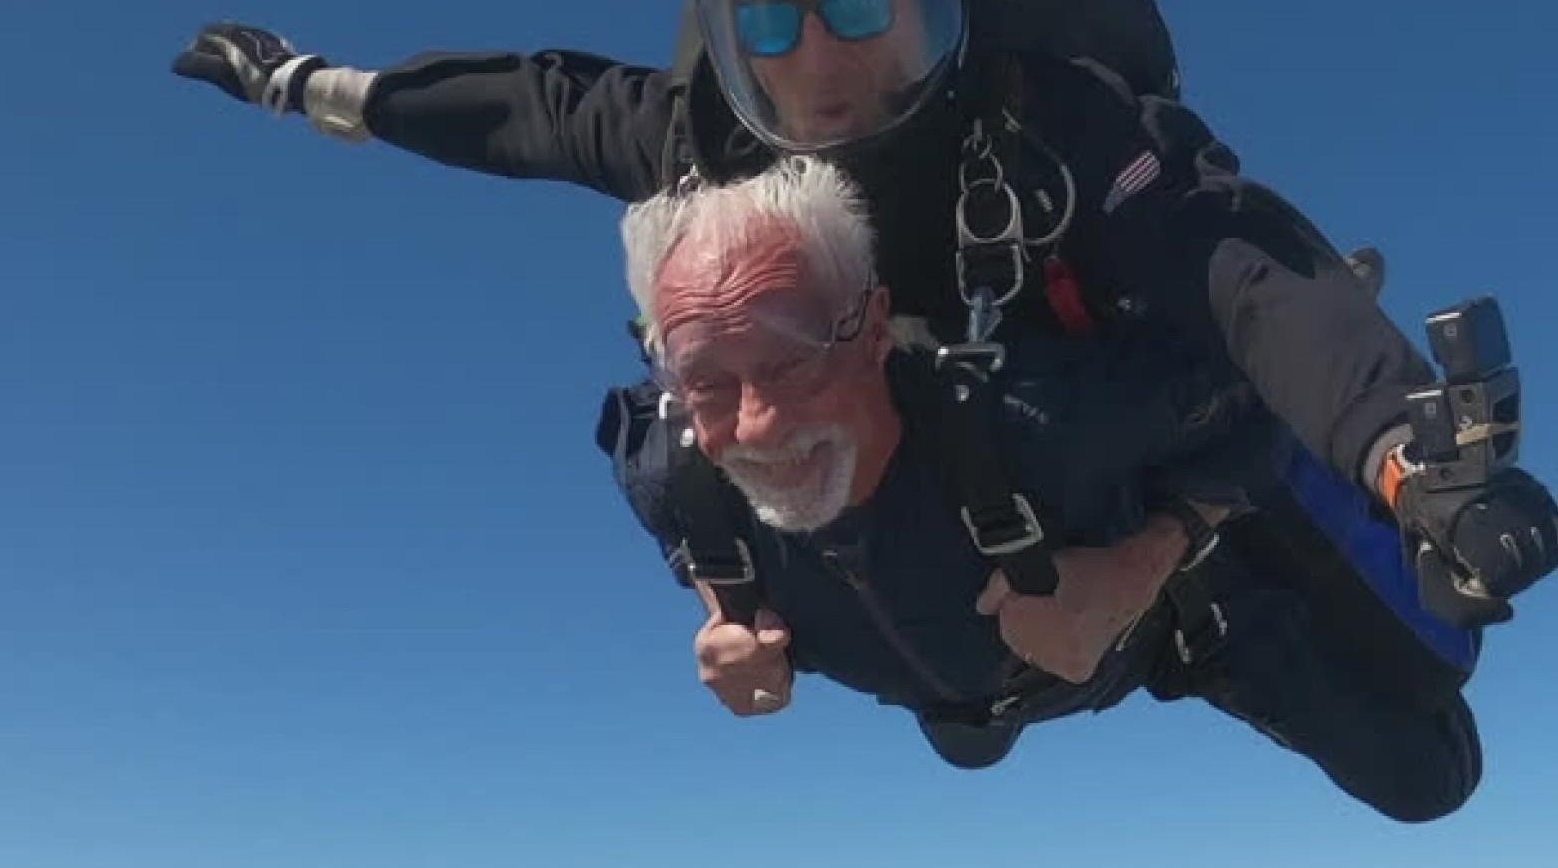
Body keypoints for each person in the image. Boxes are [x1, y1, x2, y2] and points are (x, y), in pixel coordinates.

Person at [171, 0, 1558, 626]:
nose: (826, 69)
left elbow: (1242, 264)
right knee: (948, 699)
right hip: (936, 445)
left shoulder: (1047, 118)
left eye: (868, 8)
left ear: (943, 4)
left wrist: (1405, 451)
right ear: (723, 45)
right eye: (772, 26)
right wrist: (312, 87)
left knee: (1411, 766)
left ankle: (1234, 532)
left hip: (1111, 406)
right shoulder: (696, 136)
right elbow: (525, 109)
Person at [598, 151, 1482, 821]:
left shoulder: (1043, 420)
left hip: (1152, 622)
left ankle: (1262, 557)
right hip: (962, 688)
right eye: (707, 378)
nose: (755, 424)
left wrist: (1147, 558)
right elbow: (671, 491)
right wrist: (724, 609)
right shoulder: (674, 466)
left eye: (791, 361)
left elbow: (1257, 394)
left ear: (871, 328)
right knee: (967, 744)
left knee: (1427, 782)